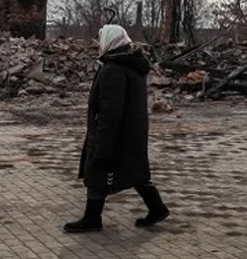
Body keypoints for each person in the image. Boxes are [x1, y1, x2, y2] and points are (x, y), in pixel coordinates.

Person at [64, 24, 170, 233]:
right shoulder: (131, 66)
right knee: (135, 172)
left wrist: (103, 144)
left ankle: (92, 219)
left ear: (109, 42)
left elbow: (110, 112)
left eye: (100, 40)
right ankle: (157, 208)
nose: (97, 46)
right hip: (131, 132)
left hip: (114, 133)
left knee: (97, 172)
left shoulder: (113, 70)